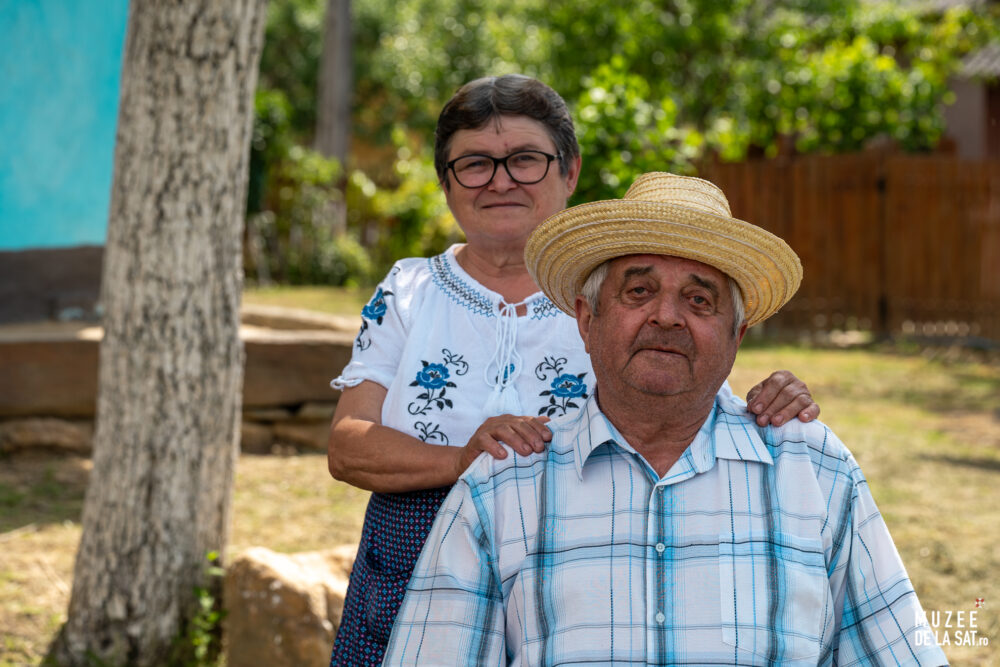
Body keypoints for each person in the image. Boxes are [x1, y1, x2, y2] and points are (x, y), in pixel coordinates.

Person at [327, 77, 821, 666]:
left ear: (570, 171)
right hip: (406, 561)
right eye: (475, 164)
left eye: (525, 160)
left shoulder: (615, 298)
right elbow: (348, 444)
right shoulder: (408, 290)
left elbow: (690, 406)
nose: (501, 181)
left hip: (570, 562)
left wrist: (773, 399)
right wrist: (462, 462)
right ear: (445, 181)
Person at [383, 171, 947, 666]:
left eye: (700, 300)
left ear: (736, 337)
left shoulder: (815, 470)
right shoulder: (502, 485)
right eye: (639, 291)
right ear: (587, 320)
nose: (668, 316)